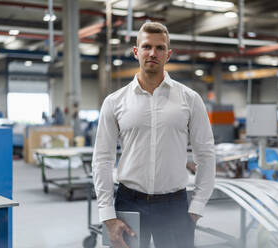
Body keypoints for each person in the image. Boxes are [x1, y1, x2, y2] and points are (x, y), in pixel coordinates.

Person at [92, 22, 215, 248]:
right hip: (129, 202)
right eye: (147, 46)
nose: (152, 53)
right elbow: (102, 159)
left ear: (168, 54)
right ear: (136, 52)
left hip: (175, 205)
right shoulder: (115, 102)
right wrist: (108, 216)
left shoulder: (190, 99)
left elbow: (206, 155)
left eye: (160, 48)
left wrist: (196, 208)